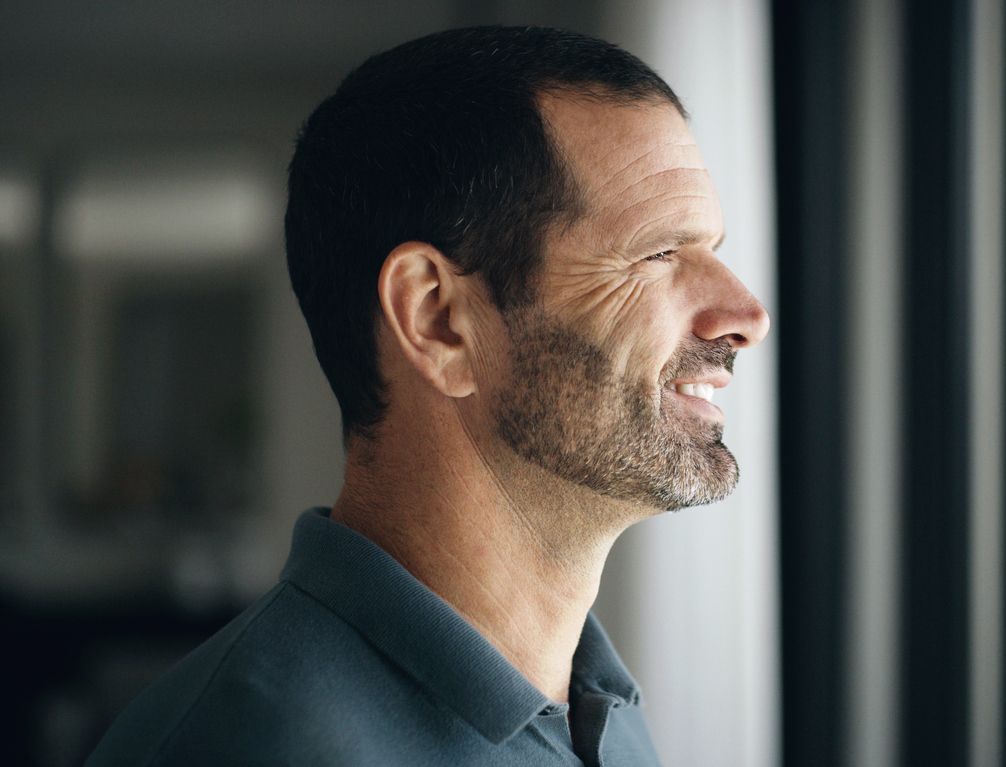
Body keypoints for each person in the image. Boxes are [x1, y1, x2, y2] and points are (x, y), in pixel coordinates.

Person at [87, 25, 769, 766]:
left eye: (714, 251)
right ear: (438, 319)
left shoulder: (603, 714)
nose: (748, 316)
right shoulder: (243, 746)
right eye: (659, 253)